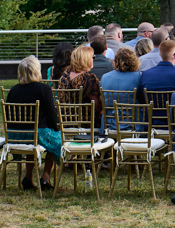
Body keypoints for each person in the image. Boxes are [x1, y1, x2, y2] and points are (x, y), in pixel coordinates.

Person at [6, 56, 60, 191]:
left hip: (15, 135)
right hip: (36, 134)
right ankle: (45, 176)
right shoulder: (44, 89)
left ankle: (28, 176)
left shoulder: (13, 90)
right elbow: (52, 115)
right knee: (58, 141)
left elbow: (9, 115)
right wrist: (56, 129)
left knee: (32, 137)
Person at [138, 40, 175, 121]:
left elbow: (141, 100)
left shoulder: (145, 75)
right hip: (173, 121)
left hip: (150, 122)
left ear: (160, 54)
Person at [100, 48, 142, 130]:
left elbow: (102, 99)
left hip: (109, 123)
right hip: (132, 122)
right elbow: (142, 99)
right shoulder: (138, 77)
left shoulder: (105, 77)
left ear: (115, 61)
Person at [59, 46, 103, 115]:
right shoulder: (89, 78)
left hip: (65, 118)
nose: (93, 59)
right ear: (86, 59)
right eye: (92, 57)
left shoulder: (65, 76)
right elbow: (98, 106)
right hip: (85, 119)